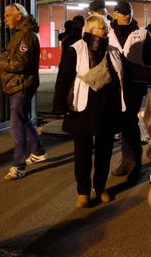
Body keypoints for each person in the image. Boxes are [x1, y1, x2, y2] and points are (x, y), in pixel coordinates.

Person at [53, 15, 124, 207]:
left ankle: (100, 187)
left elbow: (127, 74)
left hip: (108, 108)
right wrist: (60, 106)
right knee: (82, 152)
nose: (107, 31)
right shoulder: (75, 50)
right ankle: (83, 192)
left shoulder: (113, 51)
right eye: (103, 28)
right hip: (82, 107)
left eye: (107, 28)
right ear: (91, 30)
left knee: (105, 151)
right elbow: (64, 78)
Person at [0, 2, 46, 180]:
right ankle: (38, 151)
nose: (4, 19)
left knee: (17, 126)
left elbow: (21, 63)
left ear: (18, 16)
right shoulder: (20, 35)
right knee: (23, 119)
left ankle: (19, 166)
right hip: (18, 84)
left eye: (7, 16)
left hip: (22, 85)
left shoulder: (26, 36)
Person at [108, 0, 151, 180]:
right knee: (121, 123)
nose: (126, 15)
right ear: (115, 14)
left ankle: (134, 162)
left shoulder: (143, 34)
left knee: (129, 122)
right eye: (122, 12)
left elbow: (150, 60)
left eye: (128, 12)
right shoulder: (107, 32)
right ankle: (126, 160)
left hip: (135, 85)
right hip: (113, 85)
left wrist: (150, 80)